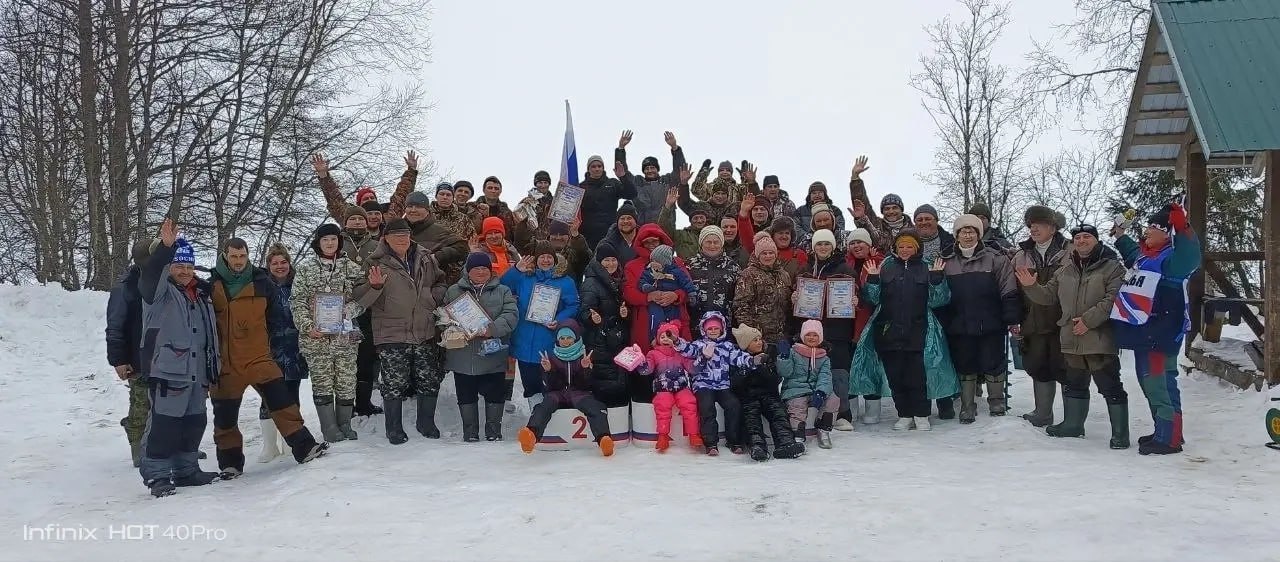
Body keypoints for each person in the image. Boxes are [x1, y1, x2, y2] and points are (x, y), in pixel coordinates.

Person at [208, 237, 326, 478]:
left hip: (259, 357)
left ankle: (305, 448)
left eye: (242, 256)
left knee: (283, 404)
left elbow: (277, 317)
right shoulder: (212, 285)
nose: (239, 261)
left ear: (248, 255)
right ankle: (230, 464)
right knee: (225, 417)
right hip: (226, 363)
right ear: (225, 256)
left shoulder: (262, 282)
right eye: (234, 256)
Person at [1016, 224, 1129, 449]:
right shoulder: (1065, 269)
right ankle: (1073, 425)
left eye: (1087, 237)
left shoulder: (1112, 267)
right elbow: (1049, 296)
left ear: (1096, 240)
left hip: (1099, 339)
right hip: (1070, 339)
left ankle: (1120, 434)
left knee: (1110, 385)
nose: (1081, 241)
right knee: (1074, 384)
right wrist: (1031, 286)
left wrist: (1088, 320)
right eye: (1077, 238)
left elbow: (1113, 299)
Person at [136, 219, 222, 497]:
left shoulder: (201, 294)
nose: (184, 271)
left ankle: (186, 471)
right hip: (169, 370)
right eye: (178, 266)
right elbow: (152, 273)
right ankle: (158, 476)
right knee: (164, 425)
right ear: (169, 268)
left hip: (197, 370)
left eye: (188, 266)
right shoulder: (158, 293)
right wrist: (166, 247)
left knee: (194, 422)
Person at [1111, 202, 1200, 455]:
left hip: (1162, 333)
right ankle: (1166, 430)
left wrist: (1182, 227)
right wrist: (1120, 235)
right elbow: (1131, 253)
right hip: (1145, 331)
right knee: (1151, 381)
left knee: (1159, 383)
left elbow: (1191, 255)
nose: (1147, 232)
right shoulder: (1145, 257)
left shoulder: (1171, 261)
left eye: (1153, 228)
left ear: (1166, 233)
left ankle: (1168, 438)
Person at [852, 229, 958, 432]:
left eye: (909, 246)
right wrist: (872, 280)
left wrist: (937, 279)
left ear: (916, 247)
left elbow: (939, 300)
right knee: (895, 376)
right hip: (888, 331)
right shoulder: (886, 266)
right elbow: (873, 299)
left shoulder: (927, 267)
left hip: (919, 331)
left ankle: (921, 414)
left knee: (918, 376)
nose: (905, 250)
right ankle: (904, 413)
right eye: (901, 246)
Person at [353, 219, 449, 444]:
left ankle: (426, 422)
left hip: (423, 327)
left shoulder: (425, 257)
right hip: (391, 330)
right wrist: (374, 287)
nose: (402, 239)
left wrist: (432, 297)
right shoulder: (374, 262)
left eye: (405, 235)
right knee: (394, 381)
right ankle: (393, 427)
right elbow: (360, 297)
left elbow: (441, 280)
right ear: (385, 238)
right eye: (397, 235)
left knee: (428, 378)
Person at [941, 214, 1021, 424]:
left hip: (991, 320)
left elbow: (1008, 288)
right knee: (965, 362)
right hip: (959, 322)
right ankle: (968, 405)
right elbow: (939, 292)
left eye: (972, 231)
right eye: (963, 231)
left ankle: (997, 400)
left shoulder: (996, 258)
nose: (967, 235)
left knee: (993, 360)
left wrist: (1011, 316)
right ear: (957, 235)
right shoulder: (946, 260)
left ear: (979, 234)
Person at [291, 224, 366, 443]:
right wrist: (307, 326)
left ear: (338, 241)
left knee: (346, 382)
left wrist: (348, 311)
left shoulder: (351, 268)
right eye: (325, 240)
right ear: (318, 243)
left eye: (333, 239)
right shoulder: (305, 268)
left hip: (345, 338)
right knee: (323, 383)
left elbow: (362, 299)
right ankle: (329, 428)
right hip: (316, 339)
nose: (330, 243)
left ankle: (345, 424)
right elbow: (297, 301)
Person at [443, 253, 519, 442]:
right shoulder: (454, 291)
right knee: (465, 393)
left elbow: (511, 314)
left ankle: (493, 430)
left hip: (492, 351)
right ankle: (470, 431)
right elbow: (444, 316)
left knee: (495, 392)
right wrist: (453, 328)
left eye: (485, 268)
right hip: (463, 352)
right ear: (468, 271)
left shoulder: (503, 291)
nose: (481, 272)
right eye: (476, 269)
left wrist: (491, 329)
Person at [792, 229, 858, 431]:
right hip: (812, 331)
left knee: (838, 371)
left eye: (826, 244)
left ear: (833, 246)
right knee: (812, 371)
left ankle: (843, 413)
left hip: (838, 329)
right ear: (813, 247)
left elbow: (857, 294)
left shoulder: (846, 269)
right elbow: (795, 297)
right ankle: (815, 412)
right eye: (819, 244)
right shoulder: (804, 270)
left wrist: (856, 300)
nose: (822, 247)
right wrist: (794, 299)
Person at [501, 242, 580, 408]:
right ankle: (535, 415)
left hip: (548, 341)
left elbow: (573, 304)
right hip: (524, 340)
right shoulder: (524, 277)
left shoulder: (565, 281)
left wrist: (559, 320)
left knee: (549, 384)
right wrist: (516, 270)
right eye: (542, 257)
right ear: (536, 259)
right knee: (530, 386)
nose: (545, 260)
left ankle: (550, 420)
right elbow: (502, 287)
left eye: (549, 257)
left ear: (555, 260)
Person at [516, 322, 614, 456]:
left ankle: (603, 439)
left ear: (576, 338)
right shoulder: (551, 358)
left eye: (569, 338)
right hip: (558, 393)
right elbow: (551, 386)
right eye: (562, 338)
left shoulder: (583, 355)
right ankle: (531, 434)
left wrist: (585, 369)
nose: (565, 341)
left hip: (579, 393)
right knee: (543, 407)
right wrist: (549, 371)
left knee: (595, 407)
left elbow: (586, 384)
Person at [1013, 205, 1072, 427]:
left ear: (1053, 227)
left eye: (1040, 224)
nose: (1034, 229)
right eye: (1031, 225)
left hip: (1064, 322)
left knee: (1067, 369)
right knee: (1038, 366)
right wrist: (1015, 318)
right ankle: (1043, 413)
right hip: (1033, 321)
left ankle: (1072, 418)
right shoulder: (1021, 255)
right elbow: (1013, 291)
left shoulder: (1071, 251)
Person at [673, 311, 752, 456]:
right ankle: (710, 443)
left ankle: (733, 441)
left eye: (716, 328)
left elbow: (739, 357)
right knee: (706, 407)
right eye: (710, 329)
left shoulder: (727, 346)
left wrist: (752, 361)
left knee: (733, 405)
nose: (713, 331)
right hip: (703, 384)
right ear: (704, 330)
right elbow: (687, 349)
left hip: (722, 385)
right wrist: (677, 341)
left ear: (721, 329)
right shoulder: (699, 345)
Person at [106, 239, 156, 467]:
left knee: (167, 405)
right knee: (140, 404)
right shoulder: (126, 285)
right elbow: (115, 325)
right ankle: (138, 449)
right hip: (137, 357)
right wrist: (119, 359)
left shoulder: (165, 279)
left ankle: (173, 447)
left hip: (164, 355)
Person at [258, 244, 309, 462]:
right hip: (270, 349)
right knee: (268, 397)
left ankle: (292, 440)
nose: (280, 266)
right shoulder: (261, 287)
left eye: (283, 262)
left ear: (289, 263)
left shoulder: (299, 285)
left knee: (292, 394)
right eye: (275, 263)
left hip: (295, 348)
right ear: (269, 265)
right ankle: (270, 446)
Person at [729, 325, 805, 461]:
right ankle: (757, 446)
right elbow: (736, 384)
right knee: (751, 418)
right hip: (749, 397)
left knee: (778, 413)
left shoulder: (767, 356)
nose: (759, 342)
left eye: (760, 339)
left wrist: (763, 367)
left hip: (769, 395)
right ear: (746, 344)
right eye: (755, 340)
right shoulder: (738, 360)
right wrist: (751, 367)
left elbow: (775, 380)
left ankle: (786, 443)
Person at [622, 224, 692, 352]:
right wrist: (648, 296)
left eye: (654, 241)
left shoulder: (676, 262)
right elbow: (628, 292)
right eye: (646, 242)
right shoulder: (632, 266)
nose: (651, 244)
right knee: (648, 362)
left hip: (676, 316)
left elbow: (688, 286)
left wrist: (676, 296)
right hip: (646, 320)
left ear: (661, 240)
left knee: (679, 360)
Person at [578, 243, 631, 407]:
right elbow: (584, 311)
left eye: (613, 259)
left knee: (618, 378)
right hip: (599, 340)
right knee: (605, 380)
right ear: (599, 262)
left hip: (617, 338)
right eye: (606, 260)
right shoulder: (591, 282)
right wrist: (591, 318)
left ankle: (618, 421)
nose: (610, 263)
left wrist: (624, 314)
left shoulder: (619, 280)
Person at [313, 151, 419, 229]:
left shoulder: (389, 216)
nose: (369, 200)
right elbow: (335, 200)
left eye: (372, 197)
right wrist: (323, 176)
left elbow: (402, 194)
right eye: (365, 198)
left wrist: (411, 170)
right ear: (359, 204)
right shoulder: (350, 216)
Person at [636, 321, 699, 452]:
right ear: (658, 339)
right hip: (663, 387)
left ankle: (694, 434)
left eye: (668, 336)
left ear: (675, 338)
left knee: (689, 403)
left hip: (681, 386)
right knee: (663, 405)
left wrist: (701, 360)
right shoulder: (653, 354)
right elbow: (646, 370)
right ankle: (663, 436)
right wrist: (640, 362)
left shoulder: (681, 353)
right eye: (662, 337)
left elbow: (693, 369)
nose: (665, 339)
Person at [844, 229, 885, 425]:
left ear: (869, 245)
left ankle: (872, 406)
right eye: (853, 243)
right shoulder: (845, 264)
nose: (856, 246)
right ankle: (850, 407)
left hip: (872, 320)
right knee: (849, 364)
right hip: (848, 323)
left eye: (861, 242)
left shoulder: (880, 263)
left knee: (870, 365)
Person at [779, 320, 837, 449]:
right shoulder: (794, 352)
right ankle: (798, 433)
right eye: (808, 334)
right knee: (797, 404)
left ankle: (823, 429)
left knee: (833, 400)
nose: (811, 338)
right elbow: (785, 373)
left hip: (816, 389)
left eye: (815, 335)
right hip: (795, 389)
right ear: (802, 336)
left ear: (820, 337)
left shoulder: (823, 357)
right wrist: (784, 357)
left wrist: (821, 391)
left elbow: (825, 377)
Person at [615, 129, 687, 225]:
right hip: (643, 228)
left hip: (666, 228)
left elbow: (680, 170)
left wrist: (675, 148)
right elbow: (622, 171)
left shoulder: (668, 180)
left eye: (652, 167)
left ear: (657, 169)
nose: (649, 171)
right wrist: (621, 148)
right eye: (646, 168)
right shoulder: (637, 181)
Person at [733, 233, 792, 343]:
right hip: (758, 337)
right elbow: (741, 306)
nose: (768, 256)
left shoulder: (784, 275)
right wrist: (751, 334)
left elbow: (787, 304)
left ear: (776, 255)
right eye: (764, 253)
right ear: (757, 255)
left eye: (771, 253)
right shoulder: (748, 275)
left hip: (781, 335)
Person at [685, 225, 740, 334]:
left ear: (722, 243)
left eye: (716, 242)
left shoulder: (733, 267)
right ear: (701, 244)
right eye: (708, 242)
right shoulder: (689, 266)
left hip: (724, 327)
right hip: (695, 326)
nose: (712, 245)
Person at [639, 245, 700, 342]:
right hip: (656, 302)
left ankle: (674, 338)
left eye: (656, 261)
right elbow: (642, 280)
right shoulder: (649, 271)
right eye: (652, 260)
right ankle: (655, 337)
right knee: (655, 317)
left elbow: (686, 282)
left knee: (674, 320)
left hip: (672, 304)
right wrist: (645, 286)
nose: (653, 263)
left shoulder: (676, 272)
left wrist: (691, 293)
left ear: (665, 262)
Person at [579, 155, 637, 249]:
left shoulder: (612, 183)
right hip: (588, 234)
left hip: (610, 233)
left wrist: (623, 178)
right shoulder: (580, 187)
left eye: (599, 166)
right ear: (588, 169)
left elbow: (631, 194)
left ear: (603, 168)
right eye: (593, 166)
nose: (597, 169)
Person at [403, 190, 470, 269]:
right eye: (410, 206)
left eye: (418, 207)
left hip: (430, 278)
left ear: (427, 210)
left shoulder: (439, 230)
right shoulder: (397, 230)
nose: (413, 210)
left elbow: (462, 248)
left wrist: (437, 257)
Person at [430, 182, 479, 283]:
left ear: (453, 198)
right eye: (441, 194)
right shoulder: (426, 216)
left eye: (448, 195)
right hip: (429, 265)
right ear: (436, 196)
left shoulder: (463, 219)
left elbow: (472, 243)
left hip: (456, 272)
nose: (445, 197)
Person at [597, 201, 641, 266]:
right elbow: (595, 266)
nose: (625, 221)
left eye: (629, 218)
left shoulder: (645, 241)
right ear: (617, 222)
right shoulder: (606, 243)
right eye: (622, 218)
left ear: (635, 221)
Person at [477, 176, 518, 242]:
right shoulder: (473, 209)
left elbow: (513, 234)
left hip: (503, 248)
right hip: (479, 247)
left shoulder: (507, 212)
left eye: (496, 188)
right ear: (484, 190)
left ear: (500, 191)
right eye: (490, 188)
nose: (493, 191)